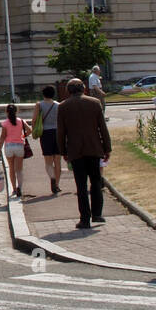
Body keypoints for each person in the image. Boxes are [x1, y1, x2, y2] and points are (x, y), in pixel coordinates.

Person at [56, 77, 111, 230]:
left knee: (81, 186)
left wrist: (63, 151)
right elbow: (102, 128)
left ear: (68, 91)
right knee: (96, 181)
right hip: (94, 148)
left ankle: (84, 219)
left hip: (75, 150)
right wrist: (107, 148)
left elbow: (61, 132)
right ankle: (97, 213)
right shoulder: (94, 103)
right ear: (84, 89)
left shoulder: (63, 106)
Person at [32, 85, 63, 195]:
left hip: (45, 133)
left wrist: (34, 131)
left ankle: (52, 178)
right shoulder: (58, 105)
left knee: (48, 161)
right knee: (58, 161)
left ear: (43, 94)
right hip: (57, 133)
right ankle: (57, 185)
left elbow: (34, 120)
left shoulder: (39, 105)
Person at [0, 104, 31, 198]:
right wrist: (23, 136)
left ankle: (14, 189)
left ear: (6, 112)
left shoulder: (5, 123)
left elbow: (2, 137)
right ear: (17, 111)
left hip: (9, 147)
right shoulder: (21, 121)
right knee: (19, 169)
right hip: (19, 146)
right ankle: (20, 187)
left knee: (11, 169)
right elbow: (29, 130)